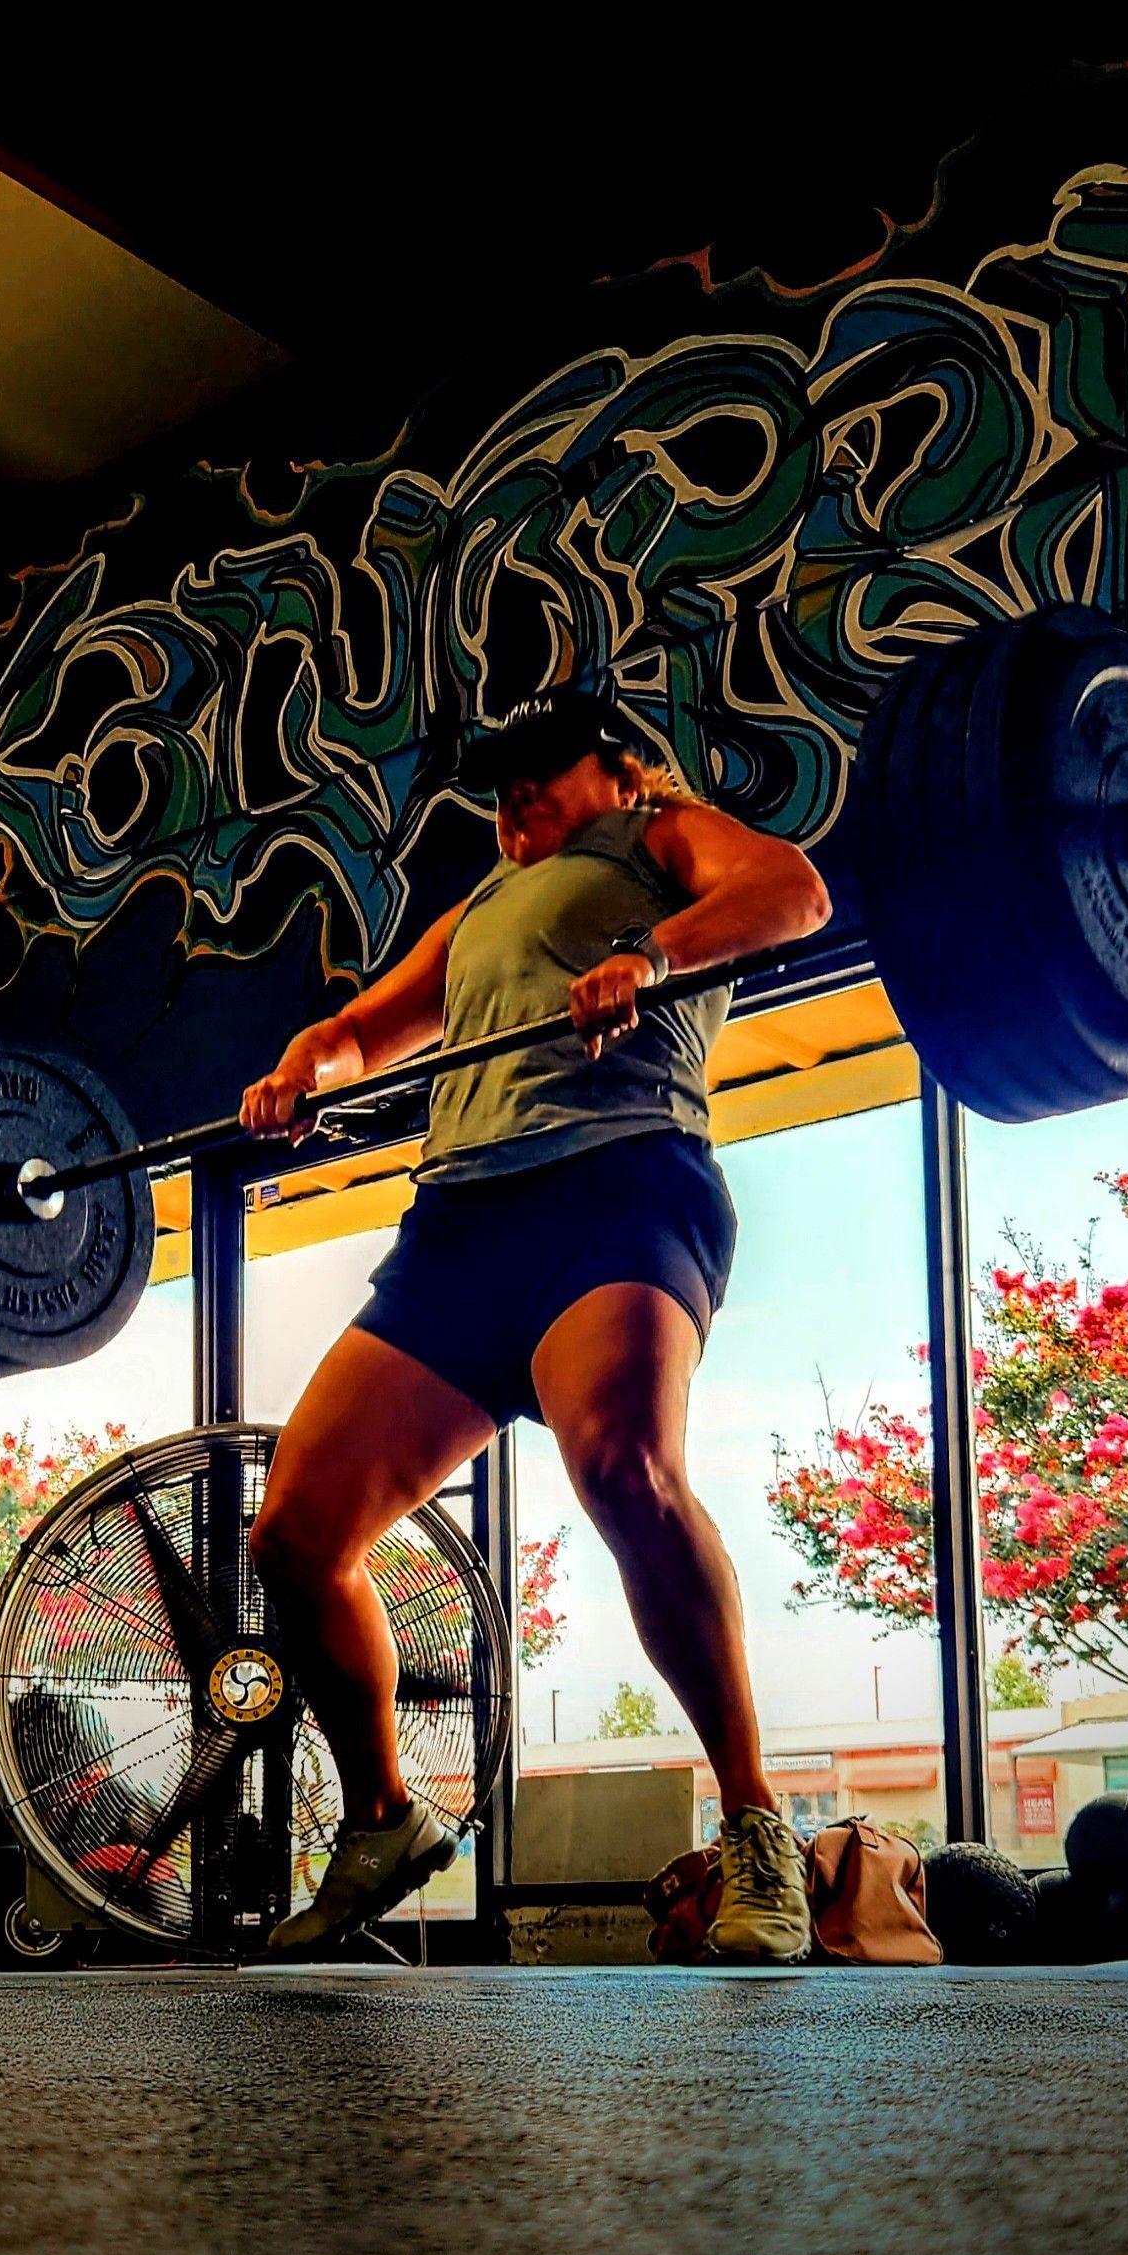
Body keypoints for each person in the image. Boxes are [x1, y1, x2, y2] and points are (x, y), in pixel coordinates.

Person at [240, 680, 832, 1962]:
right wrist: (301, 1071)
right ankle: (386, 1818)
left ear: (620, 771)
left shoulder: (655, 838)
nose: (513, 796)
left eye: (540, 772)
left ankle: (755, 1828)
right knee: (295, 1531)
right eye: (499, 784)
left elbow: (793, 892)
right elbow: (358, 1029)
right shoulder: (483, 907)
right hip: (461, 1224)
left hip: (618, 1183)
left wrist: (654, 955)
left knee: (624, 1468)